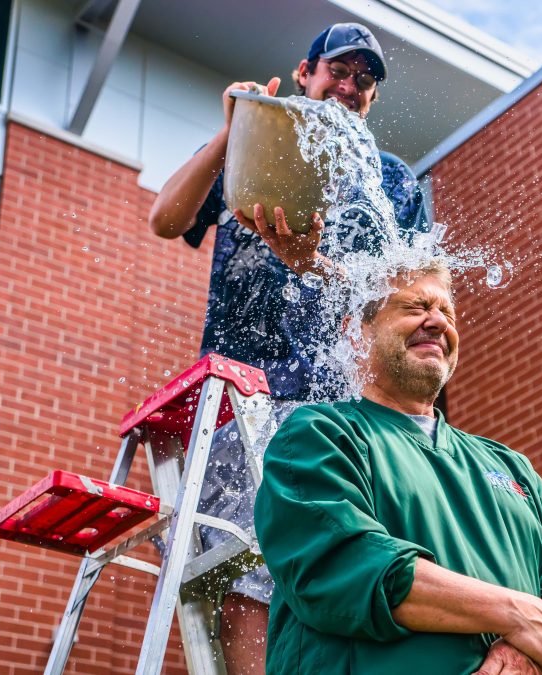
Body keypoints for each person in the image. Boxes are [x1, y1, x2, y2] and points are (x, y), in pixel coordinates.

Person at [147, 22, 429, 674]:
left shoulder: (390, 179)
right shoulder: (261, 134)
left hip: (338, 401)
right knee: (251, 562)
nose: (350, 86)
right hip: (244, 391)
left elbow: (392, 298)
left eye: (366, 79)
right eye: (339, 70)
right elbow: (165, 218)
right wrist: (231, 128)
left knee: (342, 565)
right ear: (305, 74)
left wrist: (312, 263)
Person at [254, 262, 542, 675]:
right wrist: (516, 613)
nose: (438, 321)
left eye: (449, 314)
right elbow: (344, 562)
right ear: (357, 333)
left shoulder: (511, 465)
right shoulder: (321, 434)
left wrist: (524, 656)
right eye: (416, 306)